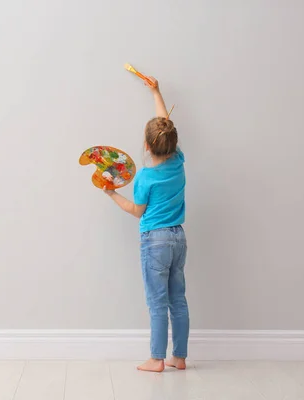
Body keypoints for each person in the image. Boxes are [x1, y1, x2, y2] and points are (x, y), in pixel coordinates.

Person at [104, 77, 189, 372]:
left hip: (155, 241)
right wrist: (156, 91)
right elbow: (165, 123)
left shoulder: (144, 177)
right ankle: (180, 357)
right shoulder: (178, 160)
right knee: (178, 300)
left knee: (157, 303)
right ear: (171, 143)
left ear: (146, 145)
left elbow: (136, 210)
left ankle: (156, 359)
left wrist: (112, 193)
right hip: (179, 238)